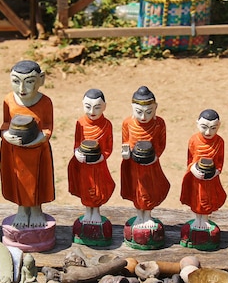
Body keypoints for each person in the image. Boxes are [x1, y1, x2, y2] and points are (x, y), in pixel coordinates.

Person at [0, 60, 55, 228]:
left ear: (41, 80)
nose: (22, 89)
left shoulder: (45, 102)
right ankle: (22, 210)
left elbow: (47, 127)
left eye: (29, 82)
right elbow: (5, 124)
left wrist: (40, 139)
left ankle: (37, 210)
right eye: (16, 81)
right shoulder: (9, 100)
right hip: (15, 152)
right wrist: (6, 135)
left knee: (37, 182)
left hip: (37, 152)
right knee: (18, 182)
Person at [120, 86, 170, 228]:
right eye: (139, 112)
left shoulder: (159, 123)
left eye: (148, 112)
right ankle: (138, 215)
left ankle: (147, 215)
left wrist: (155, 156)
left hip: (151, 164)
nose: (143, 117)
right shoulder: (127, 123)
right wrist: (126, 153)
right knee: (136, 189)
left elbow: (161, 144)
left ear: (155, 108)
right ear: (132, 108)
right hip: (133, 164)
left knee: (149, 189)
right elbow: (125, 141)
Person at [67, 89, 115, 224]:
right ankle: (88, 211)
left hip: (98, 165)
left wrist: (101, 157)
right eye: (88, 107)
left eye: (97, 107)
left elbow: (108, 147)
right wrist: (77, 152)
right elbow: (77, 142)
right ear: (83, 105)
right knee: (85, 188)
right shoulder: (80, 122)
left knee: (97, 189)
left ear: (104, 107)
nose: (92, 111)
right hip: (83, 165)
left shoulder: (107, 125)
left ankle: (96, 212)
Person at [180, 109, 227, 230]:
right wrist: (193, 169)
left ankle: (205, 219)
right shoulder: (193, 140)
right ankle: (197, 218)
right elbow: (190, 160)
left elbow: (220, 161)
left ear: (218, 126)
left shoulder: (219, 142)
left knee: (208, 198)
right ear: (197, 124)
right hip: (196, 178)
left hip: (211, 178)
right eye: (204, 127)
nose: (208, 132)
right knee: (196, 197)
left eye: (213, 128)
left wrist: (216, 172)